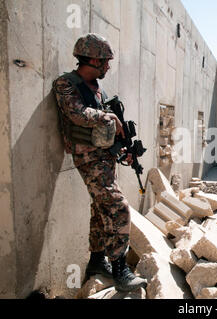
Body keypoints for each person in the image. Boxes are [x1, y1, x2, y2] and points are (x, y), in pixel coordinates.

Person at [52, 33, 147, 292]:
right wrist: (109, 118)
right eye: (105, 62)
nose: (107, 67)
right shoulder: (66, 84)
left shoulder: (98, 88)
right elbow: (77, 114)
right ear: (92, 59)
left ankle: (97, 261)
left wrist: (124, 149)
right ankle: (120, 270)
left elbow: (106, 130)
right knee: (119, 207)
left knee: (99, 209)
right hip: (87, 157)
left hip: (104, 157)